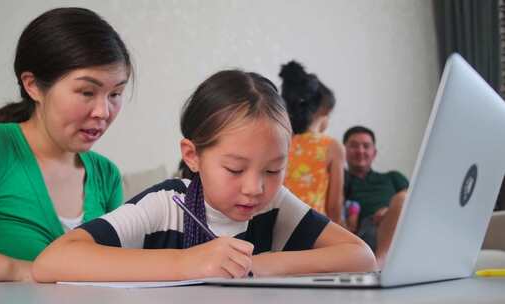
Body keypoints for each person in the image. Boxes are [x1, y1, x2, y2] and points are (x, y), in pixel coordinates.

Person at [32, 70, 376, 282]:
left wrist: (258, 266)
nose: (255, 188)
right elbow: (51, 262)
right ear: (193, 156)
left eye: (273, 170)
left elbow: (360, 256)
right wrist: (187, 263)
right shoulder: (167, 204)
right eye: (235, 169)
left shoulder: (276, 205)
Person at [0, 7, 132, 282]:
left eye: (115, 93)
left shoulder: (106, 176)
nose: (103, 111)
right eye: (87, 92)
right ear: (33, 86)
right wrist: (18, 270)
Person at [280, 61, 345, 224]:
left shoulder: (279, 141)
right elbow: (334, 206)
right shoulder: (331, 146)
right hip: (313, 232)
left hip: (277, 227)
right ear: (323, 111)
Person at [343, 126, 408, 268]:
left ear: (374, 153)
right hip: (367, 232)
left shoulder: (393, 177)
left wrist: (389, 212)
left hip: (401, 226)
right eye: (354, 146)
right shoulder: (341, 180)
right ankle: (379, 263)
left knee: (403, 198)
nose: (360, 151)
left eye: (366, 146)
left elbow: (415, 201)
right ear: (344, 151)